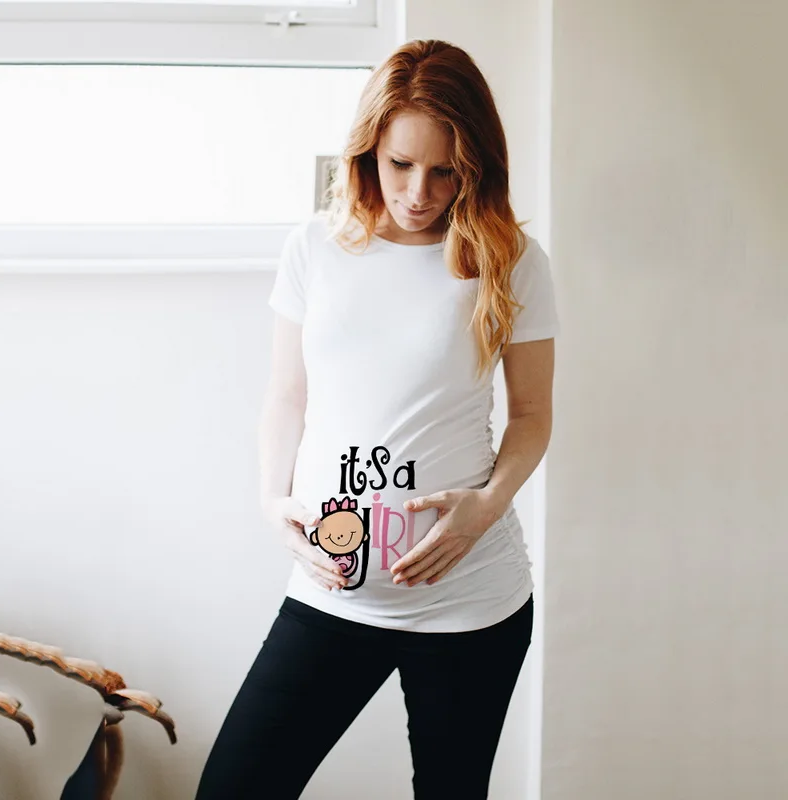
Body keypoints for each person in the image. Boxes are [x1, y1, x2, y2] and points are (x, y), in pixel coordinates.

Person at [195, 38, 560, 800]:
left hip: (469, 599)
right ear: (368, 150)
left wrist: (486, 507)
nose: (419, 192)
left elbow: (530, 415)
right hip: (333, 586)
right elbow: (286, 396)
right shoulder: (316, 248)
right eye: (401, 164)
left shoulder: (511, 260)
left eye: (445, 171)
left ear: (475, 167)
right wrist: (272, 501)